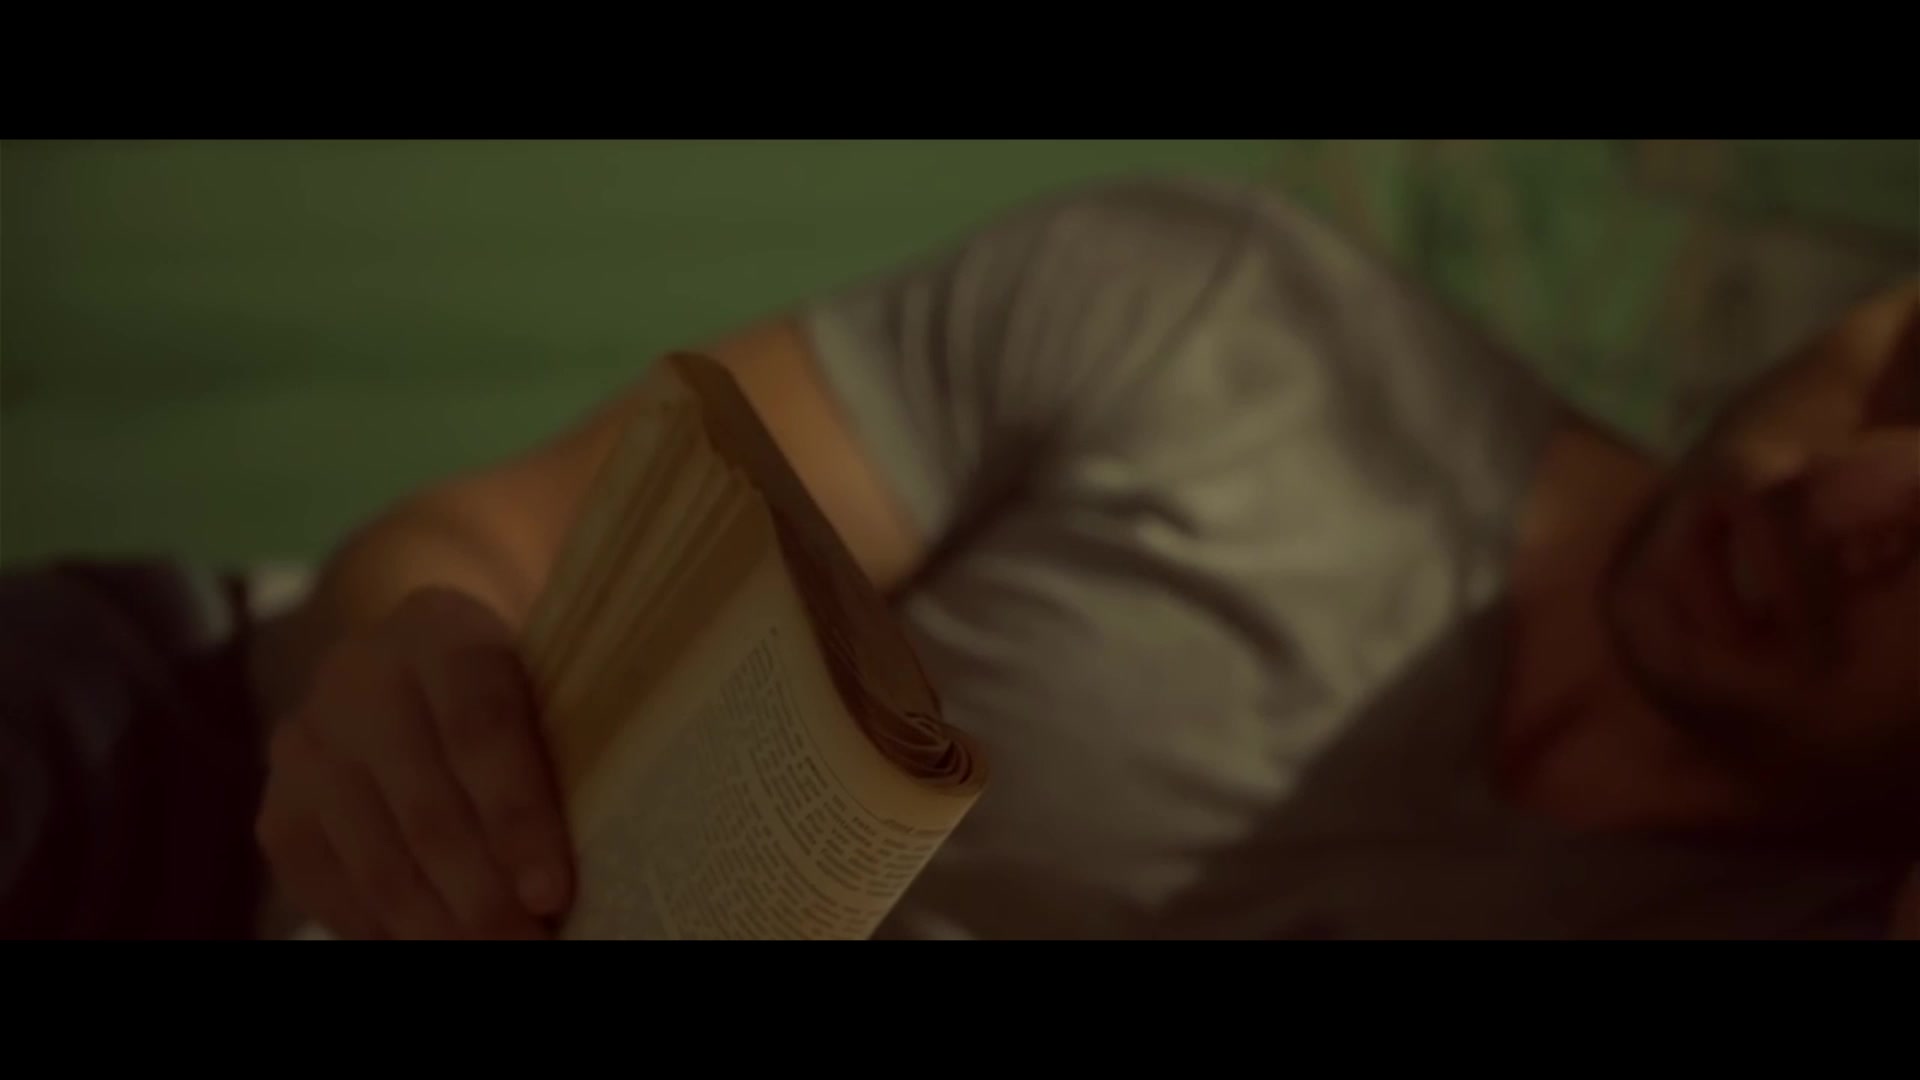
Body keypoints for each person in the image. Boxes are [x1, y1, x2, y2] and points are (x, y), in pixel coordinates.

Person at [4, 177, 1915, 939]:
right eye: (1908, 379)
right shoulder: (1236, 329)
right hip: (189, 773)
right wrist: (417, 666)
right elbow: (490, 536)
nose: (1844, 503)